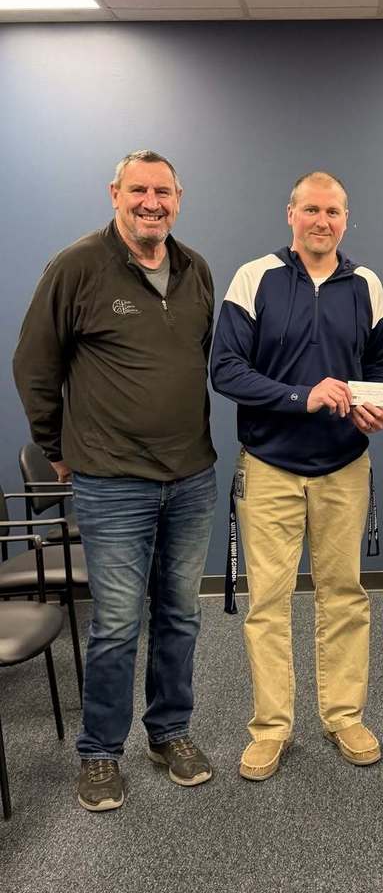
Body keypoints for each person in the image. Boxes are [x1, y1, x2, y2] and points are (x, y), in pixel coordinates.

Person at [13, 150, 218, 811]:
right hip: (113, 482)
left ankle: (170, 732)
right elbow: (34, 366)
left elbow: (198, 357)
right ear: (115, 193)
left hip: (191, 475)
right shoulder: (77, 267)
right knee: (116, 624)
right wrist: (56, 448)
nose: (150, 202)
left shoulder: (195, 270)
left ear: (178, 198)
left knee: (181, 616)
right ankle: (100, 752)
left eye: (162, 191)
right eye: (138, 190)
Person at [211, 170, 383, 781]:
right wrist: (299, 397)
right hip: (270, 467)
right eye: (311, 209)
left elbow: (378, 365)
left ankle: (344, 717)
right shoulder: (253, 277)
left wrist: (375, 407)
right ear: (291, 214)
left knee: (345, 596)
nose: (322, 221)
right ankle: (271, 728)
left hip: (345, 466)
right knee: (269, 602)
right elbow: (226, 371)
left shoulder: (366, 283)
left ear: (346, 219)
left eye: (334, 211)